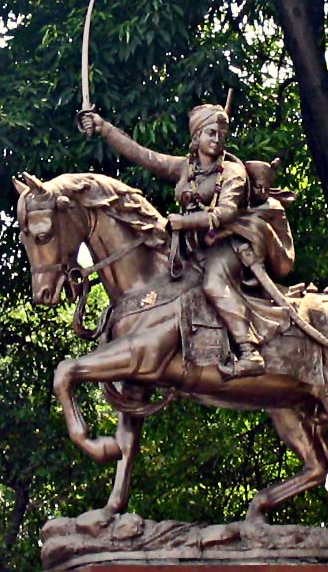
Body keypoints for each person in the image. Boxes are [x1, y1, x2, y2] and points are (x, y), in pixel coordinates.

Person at [77, 104, 294, 379]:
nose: (216, 139)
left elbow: (226, 212)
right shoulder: (186, 167)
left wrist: (184, 222)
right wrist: (103, 128)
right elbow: (144, 156)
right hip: (193, 247)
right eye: (211, 132)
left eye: (221, 134)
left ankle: (249, 352)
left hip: (229, 243)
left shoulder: (232, 172)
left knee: (214, 284)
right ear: (197, 135)